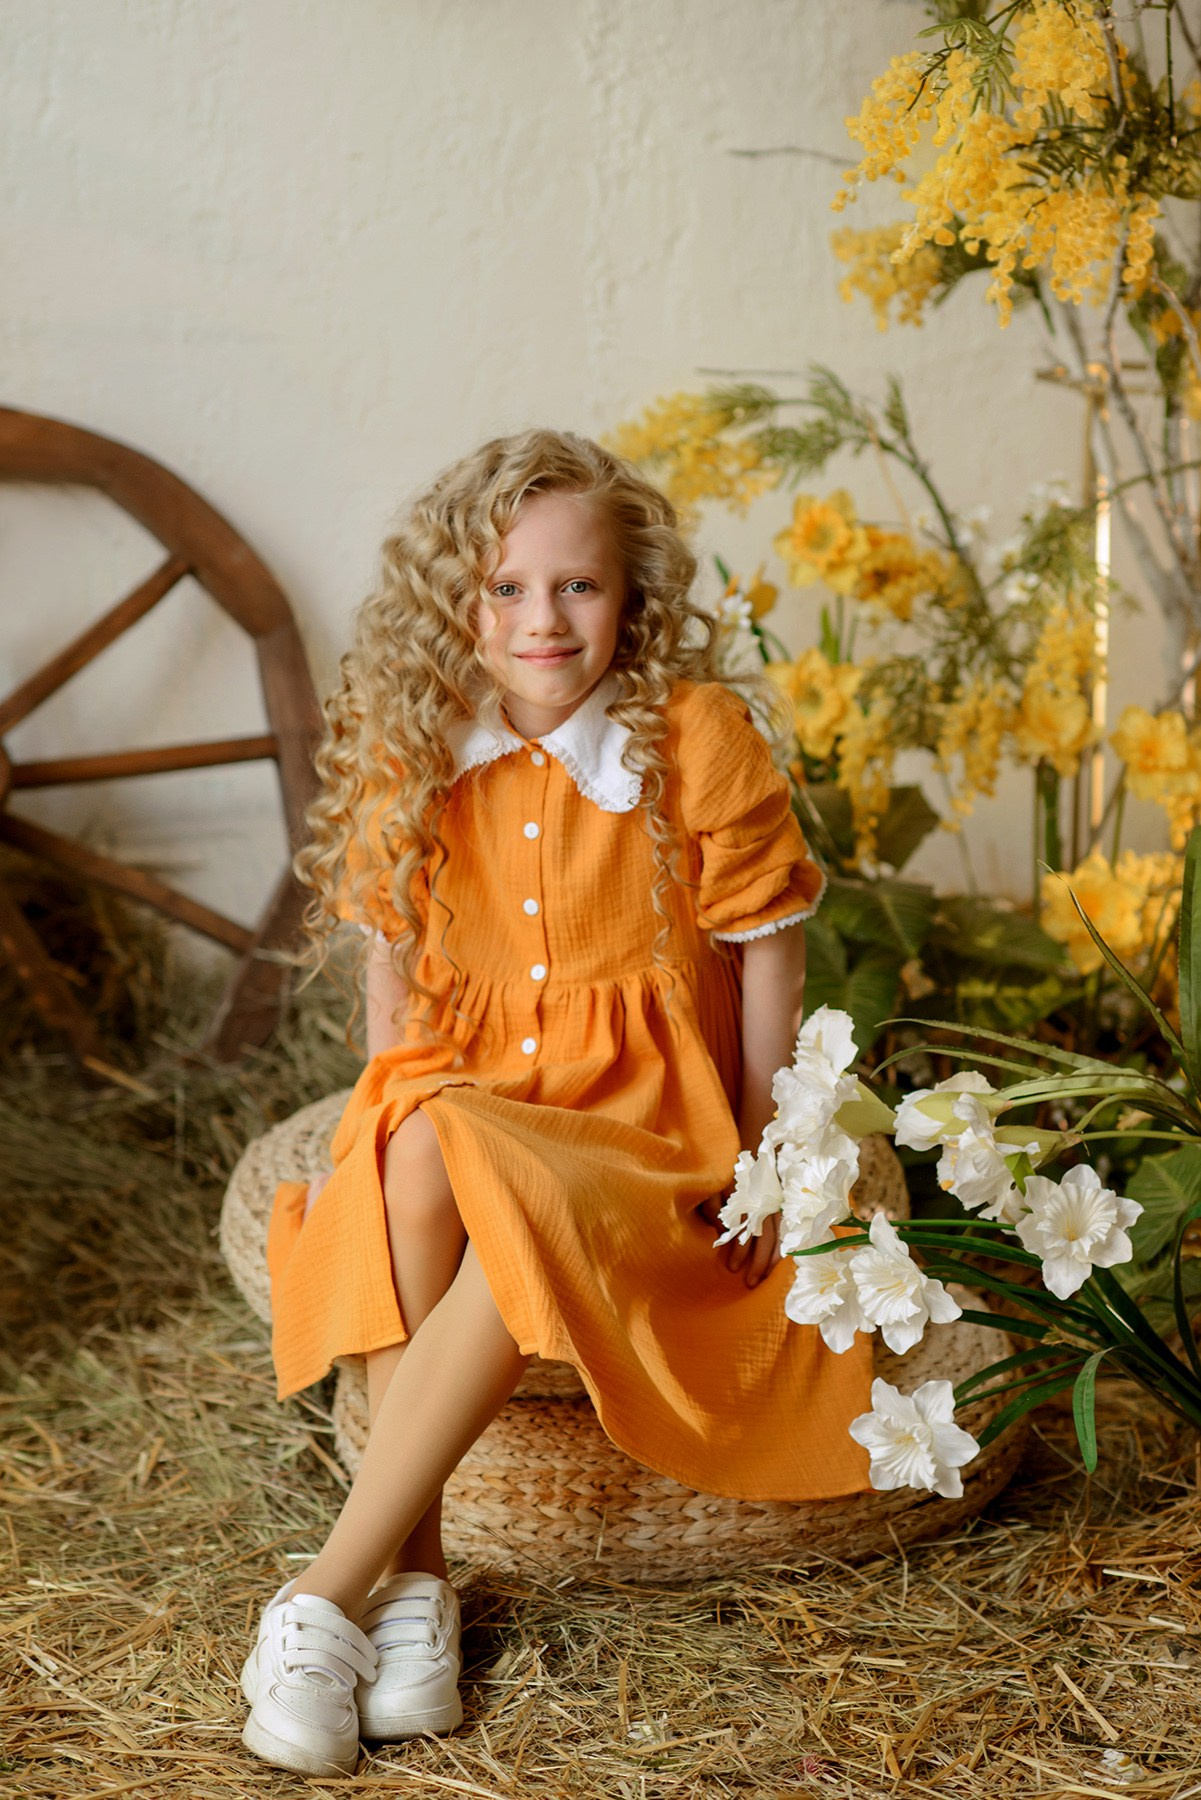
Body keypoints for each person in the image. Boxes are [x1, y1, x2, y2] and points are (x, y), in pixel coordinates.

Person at [239, 429, 873, 1777]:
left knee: (496, 1185)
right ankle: (414, 1603)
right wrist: (382, 1112)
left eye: (577, 588)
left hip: (639, 1122)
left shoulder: (689, 734)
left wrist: (765, 1152)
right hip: (472, 1085)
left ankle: (321, 1597)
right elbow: (391, 989)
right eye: (506, 589)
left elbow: (768, 950)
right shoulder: (414, 744)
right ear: (454, 604)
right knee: (414, 1151)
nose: (543, 621)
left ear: (630, 599)